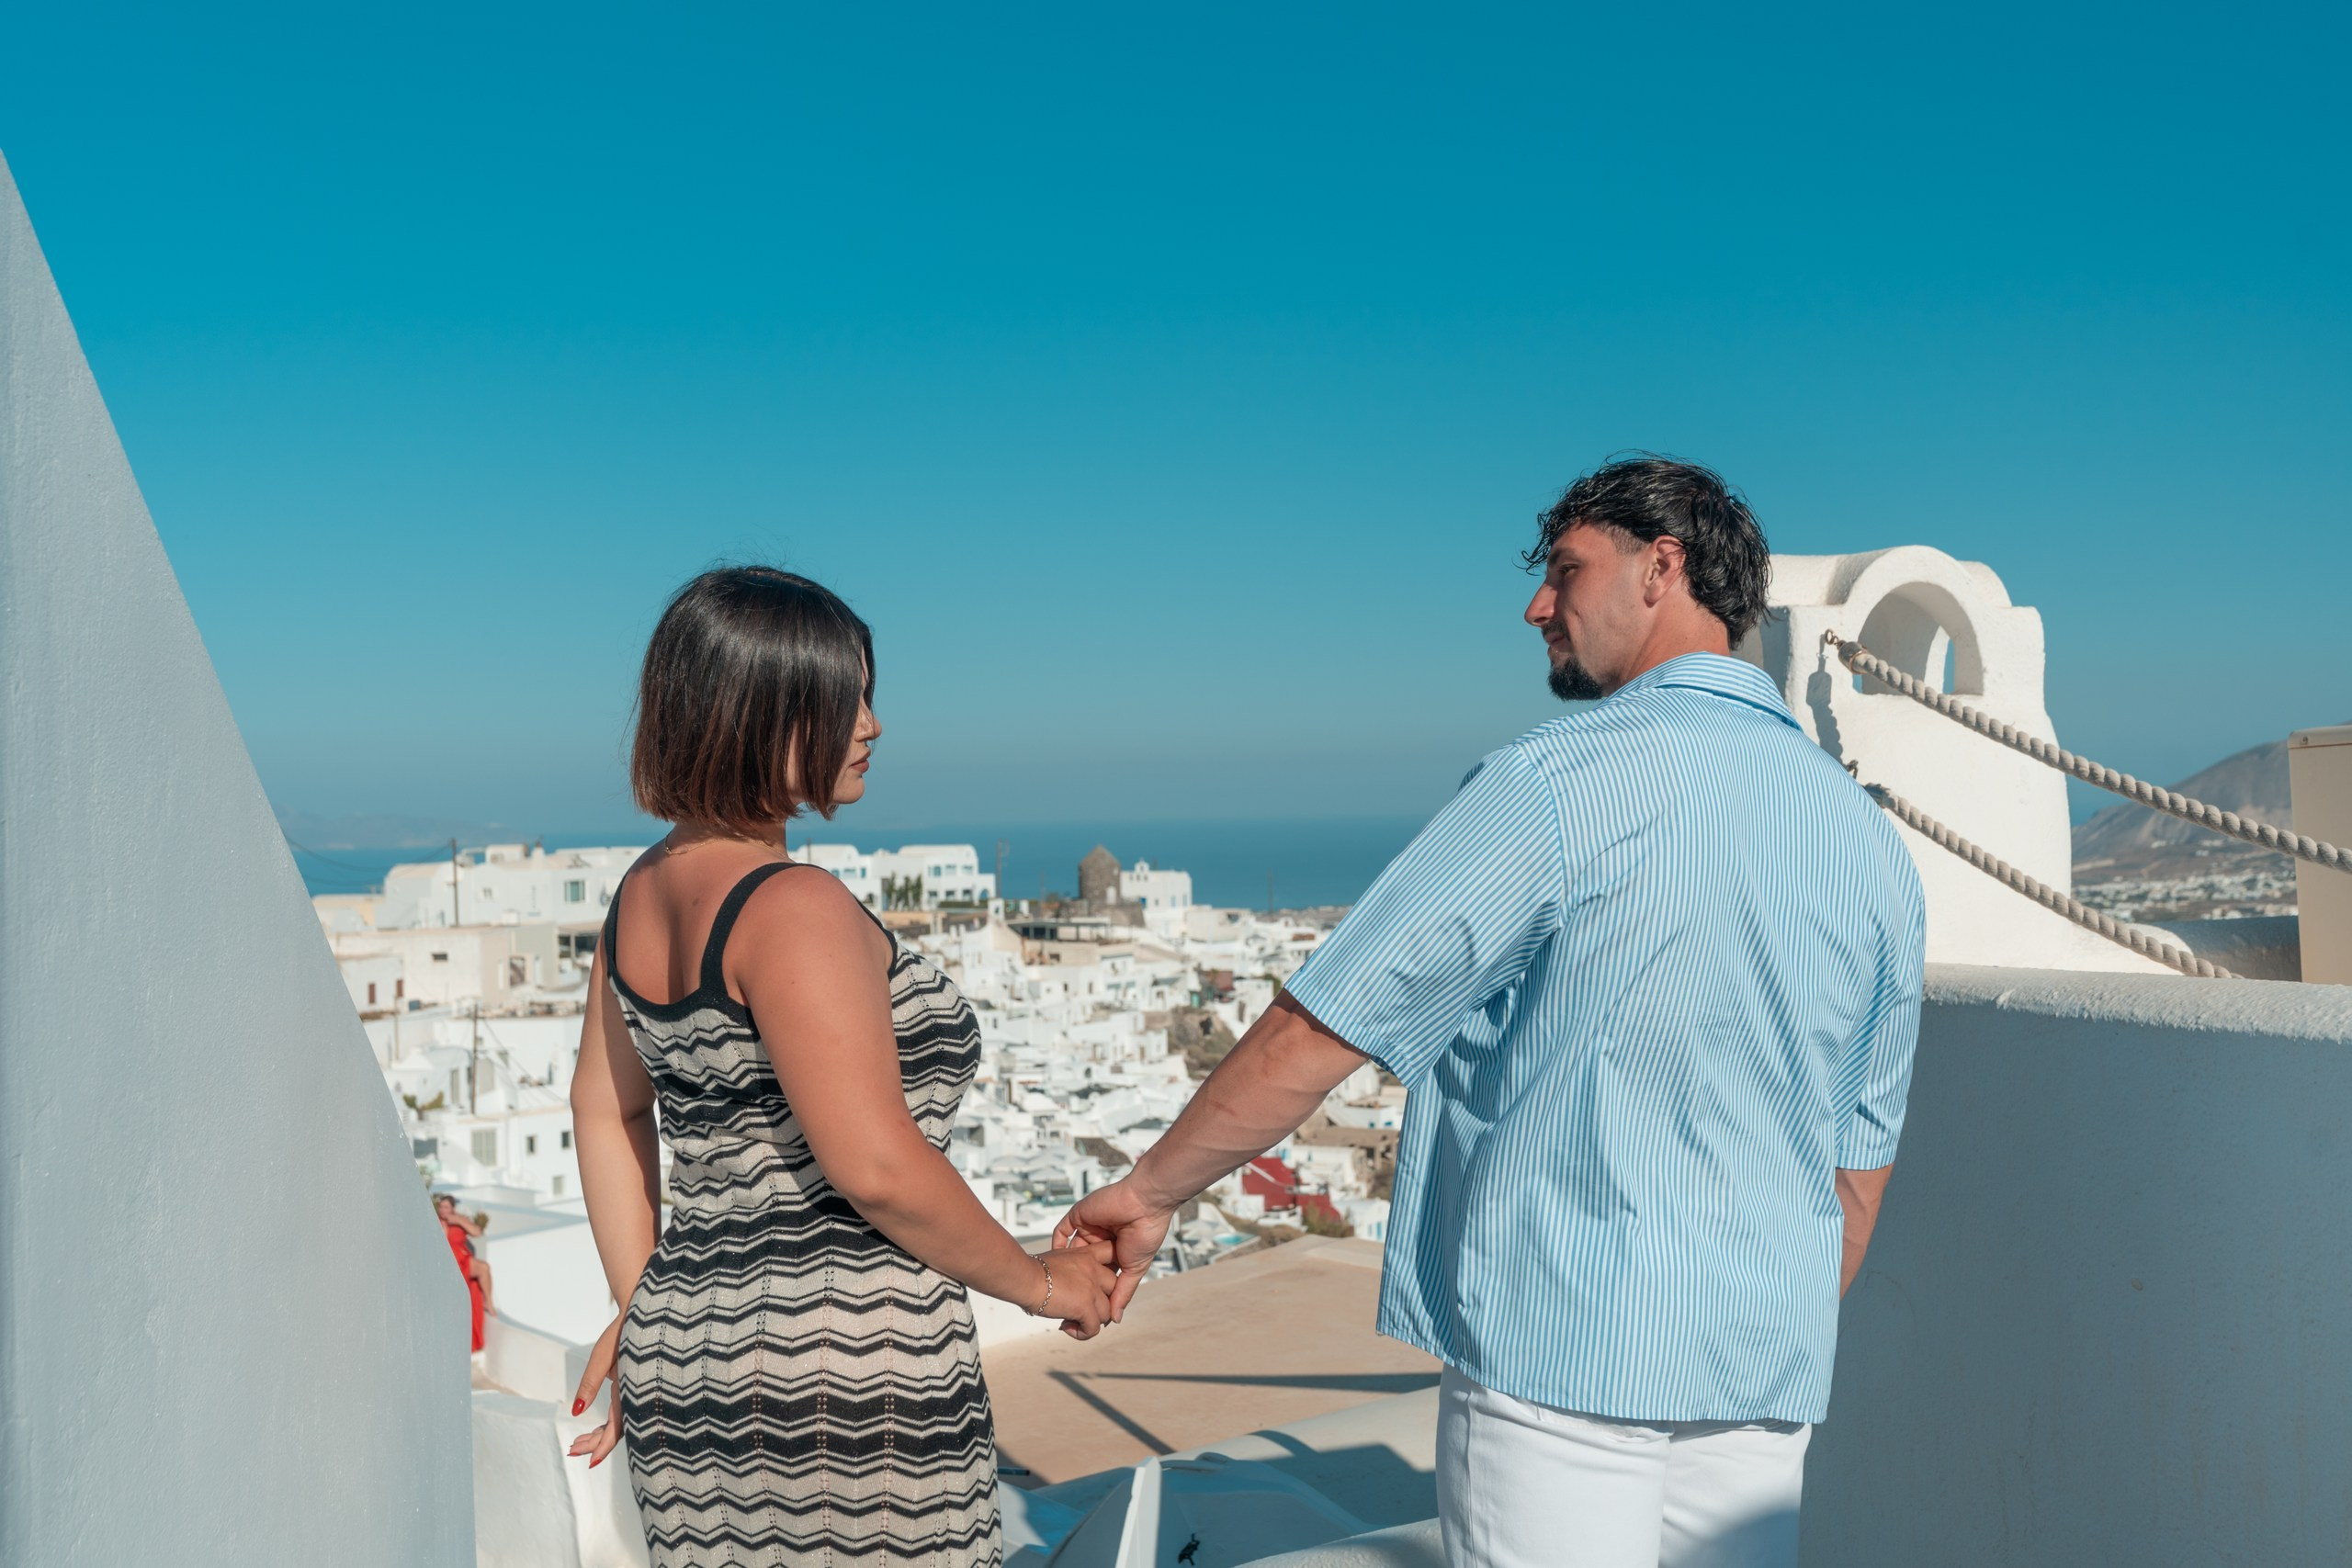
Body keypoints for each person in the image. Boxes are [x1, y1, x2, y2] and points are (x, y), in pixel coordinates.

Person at [1059, 457, 1927, 1568]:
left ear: (1661, 568)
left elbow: (1321, 1029)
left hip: (1560, 1364)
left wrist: (1148, 1191)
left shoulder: (1558, 782)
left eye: (1564, 571)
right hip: (1758, 1378)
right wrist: (1760, 1325)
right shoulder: (1863, 839)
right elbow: (1860, 1159)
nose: (1535, 605)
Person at [566, 566, 1120, 1568]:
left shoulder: (634, 899)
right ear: (753, 713)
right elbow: (874, 1167)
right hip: (850, 1375)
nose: (870, 726)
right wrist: (1044, 1285)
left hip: (686, 1370)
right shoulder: (791, 908)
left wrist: (642, 1305)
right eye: (842, 700)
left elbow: (605, 1114)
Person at [435, 1194, 493, 1351]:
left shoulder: (459, 1220)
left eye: (446, 1207)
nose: (443, 1210)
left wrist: (458, 1221)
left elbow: (477, 1233)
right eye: (441, 1207)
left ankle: (489, 1301)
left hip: (463, 1260)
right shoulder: (436, 1222)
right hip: (448, 1265)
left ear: (452, 1208)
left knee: (484, 1268)